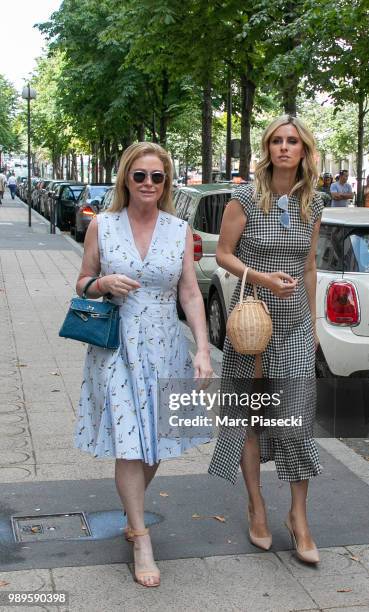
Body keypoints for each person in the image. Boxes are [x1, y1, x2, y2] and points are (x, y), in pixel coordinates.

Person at [74, 142, 213, 587]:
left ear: (166, 182)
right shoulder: (104, 226)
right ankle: (140, 535)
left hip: (165, 346)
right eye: (140, 176)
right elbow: (81, 284)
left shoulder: (178, 229)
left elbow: (190, 293)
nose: (149, 183)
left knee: (154, 443)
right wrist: (101, 282)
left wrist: (203, 349)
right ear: (126, 180)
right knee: (130, 442)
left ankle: (132, 508)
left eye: (157, 176)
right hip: (116, 346)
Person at [208, 115, 323, 564]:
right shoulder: (245, 197)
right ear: (267, 148)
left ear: (304, 150)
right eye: (277, 140)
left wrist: (313, 326)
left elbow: (310, 265)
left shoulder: (312, 203)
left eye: (292, 141)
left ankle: (298, 517)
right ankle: (256, 506)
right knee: (250, 416)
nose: (284, 147)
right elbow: (223, 253)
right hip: (250, 321)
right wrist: (259, 277)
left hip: (294, 324)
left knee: (296, 420)